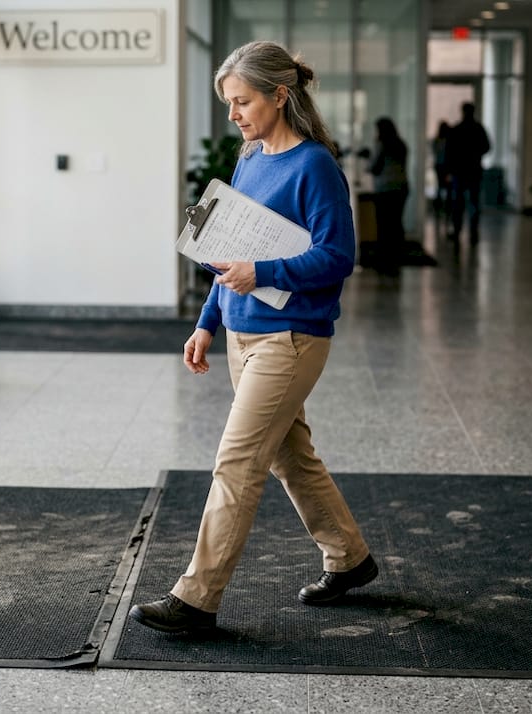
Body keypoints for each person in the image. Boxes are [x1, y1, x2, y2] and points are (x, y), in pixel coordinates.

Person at [128, 40, 375, 635]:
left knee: (237, 461)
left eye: (242, 101)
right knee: (292, 458)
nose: (234, 114)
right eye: (229, 104)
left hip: (289, 341)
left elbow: (338, 256)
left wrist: (264, 273)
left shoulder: (314, 166)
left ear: (280, 96)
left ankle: (197, 598)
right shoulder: (249, 159)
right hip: (241, 333)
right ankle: (351, 560)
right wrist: (208, 321)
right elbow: (226, 253)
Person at [444, 102, 491, 242]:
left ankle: (457, 230)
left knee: (458, 202)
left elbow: (449, 152)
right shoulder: (478, 129)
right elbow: (487, 147)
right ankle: (473, 232)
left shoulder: (457, 129)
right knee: (474, 202)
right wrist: (476, 154)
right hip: (474, 170)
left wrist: (449, 170)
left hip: (459, 171)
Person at [370, 117, 410, 274]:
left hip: (385, 189)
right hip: (401, 187)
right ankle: (397, 256)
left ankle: (384, 258)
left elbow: (375, 168)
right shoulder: (401, 144)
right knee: (396, 223)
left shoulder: (382, 145)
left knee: (383, 225)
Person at [431, 120, 451, 223]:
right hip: (445, 167)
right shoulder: (447, 141)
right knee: (447, 189)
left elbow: (434, 152)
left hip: (440, 166)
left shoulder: (437, 141)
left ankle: (439, 208)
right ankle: (445, 209)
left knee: (440, 188)